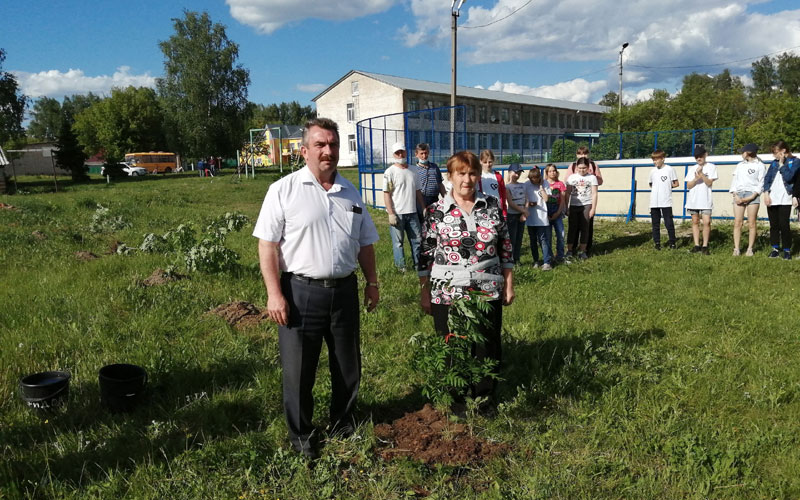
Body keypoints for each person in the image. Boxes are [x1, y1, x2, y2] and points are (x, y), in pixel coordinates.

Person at [253, 117, 380, 460]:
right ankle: (302, 437)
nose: (328, 151)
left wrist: (372, 282)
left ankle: (343, 423)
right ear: (304, 150)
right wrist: (273, 294)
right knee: (298, 371)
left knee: (348, 366)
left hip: (344, 292)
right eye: (321, 145)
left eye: (333, 145)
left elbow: (365, 243)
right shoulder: (284, 190)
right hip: (299, 292)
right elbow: (267, 245)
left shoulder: (351, 192)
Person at [418, 151, 514, 411]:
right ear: (450, 177)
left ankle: (485, 398)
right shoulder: (435, 211)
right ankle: (457, 399)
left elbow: (505, 247)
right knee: (453, 343)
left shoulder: (492, 205)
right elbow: (425, 254)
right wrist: (425, 291)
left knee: (487, 343)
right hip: (447, 290)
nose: (467, 179)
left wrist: (509, 282)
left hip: (487, 287)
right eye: (461, 173)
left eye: (472, 173)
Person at [384, 141, 425, 272]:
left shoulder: (414, 170)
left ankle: (418, 265)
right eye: (397, 152)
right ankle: (401, 268)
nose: (400, 154)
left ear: (406, 152)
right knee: (398, 243)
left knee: (417, 240)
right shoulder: (390, 172)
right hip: (398, 213)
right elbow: (387, 194)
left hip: (412, 212)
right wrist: (391, 213)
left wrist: (423, 208)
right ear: (393, 154)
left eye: (402, 151)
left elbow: (418, 191)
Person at [763, 140, 800, 259]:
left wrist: (782, 164)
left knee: (784, 225)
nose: (774, 155)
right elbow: (767, 179)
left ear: (783, 151)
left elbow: (789, 178)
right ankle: (775, 249)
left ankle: (787, 250)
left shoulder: (795, 162)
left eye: (776, 152)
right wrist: (766, 193)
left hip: (786, 197)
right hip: (772, 197)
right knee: (774, 225)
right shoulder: (773, 163)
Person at [730, 144, 766, 256]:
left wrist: (752, 196)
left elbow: (761, 183)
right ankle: (736, 248)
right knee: (737, 222)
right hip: (739, 194)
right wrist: (735, 195)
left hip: (752, 195)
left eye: (743, 152)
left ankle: (750, 248)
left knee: (752, 223)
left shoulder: (760, 165)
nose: (742, 154)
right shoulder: (740, 165)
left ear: (749, 152)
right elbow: (734, 181)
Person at [565, 146, 603, 253]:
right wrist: (566, 206)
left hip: (587, 203)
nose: (583, 156)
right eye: (580, 154)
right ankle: (571, 249)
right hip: (574, 204)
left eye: (585, 153)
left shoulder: (593, 169)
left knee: (586, 227)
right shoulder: (572, 170)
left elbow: (597, 188)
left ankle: (585, 249)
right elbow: (567, 189)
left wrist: (593, 208)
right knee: (573, 227)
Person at [685, 145, 718, 255]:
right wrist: (696, 178)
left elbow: (709, 183)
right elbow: (688, 186)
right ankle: (696, 245)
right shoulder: (692, 169)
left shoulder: (711, 167)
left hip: (706, 200)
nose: (698, 159)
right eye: (696, 157)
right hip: (693, 200)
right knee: (695, 221)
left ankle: (705, 245)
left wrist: (702, 175)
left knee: (706, 222)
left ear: (705, 155)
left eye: (700, 156)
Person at [648, 150, 678, 250]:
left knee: (668, 223)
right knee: (655, 224)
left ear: (663, 159)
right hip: (654, 202)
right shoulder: (653, 171)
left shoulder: (669, 169)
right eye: (653, 160)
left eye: (657, 159)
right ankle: (657, 243)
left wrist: (667, 187)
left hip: (665, 201)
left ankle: (672, 242)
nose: (655, 162)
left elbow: (676, 183)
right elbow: (651, 184)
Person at [525, 166, 553, 270]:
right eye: (532, 178)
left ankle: (546, 262)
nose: (534, 180)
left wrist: (541, 186)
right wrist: (529, 203)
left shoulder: (545, 183)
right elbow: (524, 198)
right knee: (533, 240)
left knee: (543, 239)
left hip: (542, 217)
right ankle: (535, 260)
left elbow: (546, 199)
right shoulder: (526, 184)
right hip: (531, 217)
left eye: (536, 178)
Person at [505, 163, 528, 265]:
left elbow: (527, 199)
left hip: (522, 215)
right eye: (515, 172)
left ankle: (517, 259)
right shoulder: (507, 186)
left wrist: (525, 212)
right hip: (512, 215)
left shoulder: (523, 185)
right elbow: (510, 203)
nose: (517, 175)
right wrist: (523, 211)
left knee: (519, 238)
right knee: (512, 239)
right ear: (510, 173)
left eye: (519, 173)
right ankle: (511, 259)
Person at [544, 164, 566, 262]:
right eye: (550, 171)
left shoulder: (560, 184)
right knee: (547, 236)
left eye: (554, 171)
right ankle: (549, 256)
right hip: (546, 211)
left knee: (561, 234)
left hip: (557, 210)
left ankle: (560, 255)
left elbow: (562, 200)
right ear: (546, 173)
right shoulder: (544, 184)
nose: (552, 173)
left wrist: (558, 213)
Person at [415, 143, 446, 212]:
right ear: (416, 154)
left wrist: (446, 199)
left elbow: (440, 184)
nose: (424, 156)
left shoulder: (434, 167)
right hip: (420, 200)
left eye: (426, 153)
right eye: (421, 154)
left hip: (434, 199)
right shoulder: (414, 170)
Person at [478, 149, 507, 216]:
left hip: (497, 209)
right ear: (480, 162)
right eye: (485, 162)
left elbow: (503, 195)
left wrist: (504, 211)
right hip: (484, 210)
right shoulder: (478, 176)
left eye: (490, 162)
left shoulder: (498, 176)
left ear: (493, 161)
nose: (488, 164)